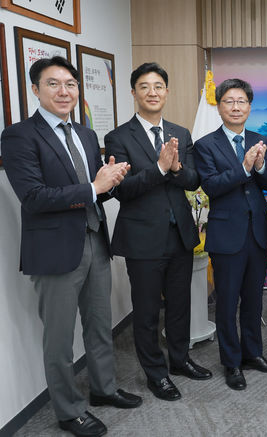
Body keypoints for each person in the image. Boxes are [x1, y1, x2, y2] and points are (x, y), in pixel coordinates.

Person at [1, 56, 140, 437]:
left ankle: (104, 389)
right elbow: (33, 196)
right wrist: (95, 187)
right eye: (53, 84)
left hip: (95, 239)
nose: (64, 92)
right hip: (56, 251)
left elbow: (93, 191)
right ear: (35, 89)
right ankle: (68, 410)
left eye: (70, 84)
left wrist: (110, 182)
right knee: (60, 338)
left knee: (100, 325)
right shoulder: (18, 136)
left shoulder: (85, 133)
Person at [104, 62, 212, 402]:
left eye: (159, 86)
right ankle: (156, 373)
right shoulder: (118, 137)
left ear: (167, 91)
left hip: (179, 233)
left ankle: (179, 360)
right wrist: (161, 167)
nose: (153, 92)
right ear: (133, 92)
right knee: (148, 310)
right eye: (145, 86)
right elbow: (123, 190)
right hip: (142, 239)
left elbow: (194, 181)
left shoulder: (179, 132)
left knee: (180, 305)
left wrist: (177, 168)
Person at [193, 78, 267, 391]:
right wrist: (244, 168)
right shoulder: (205, 145)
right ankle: (231, 363)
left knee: (254, 300)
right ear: (219, 106)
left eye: (241, 101)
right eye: (229, 101)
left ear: (249, 106)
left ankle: (253, 354)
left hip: (256, 232)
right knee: (227, 302)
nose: (235, 107)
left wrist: (258, 168)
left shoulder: (260, 139)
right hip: (226, 233)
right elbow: (211, 186)